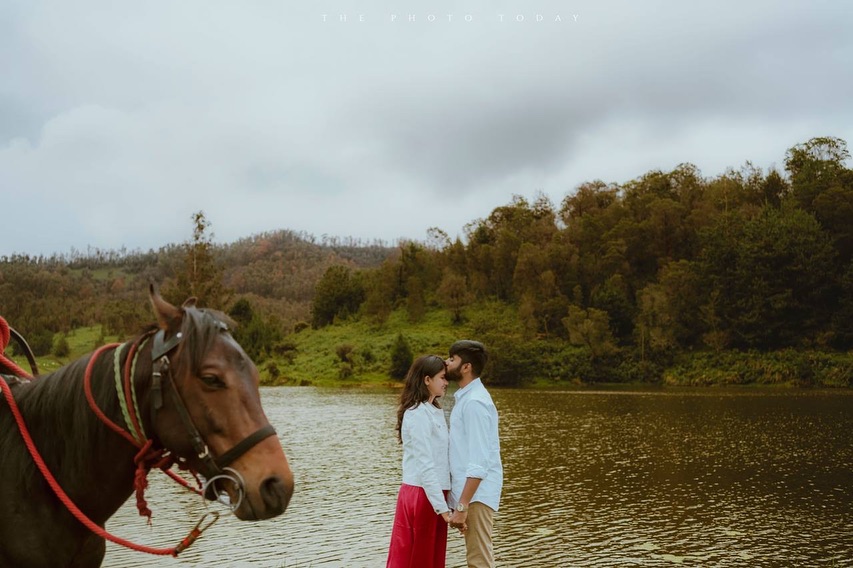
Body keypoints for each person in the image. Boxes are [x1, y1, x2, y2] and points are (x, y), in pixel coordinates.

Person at [386, 355, 452, 568]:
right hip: (422, 494)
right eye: (442, 377)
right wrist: (442, 508)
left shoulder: (434, 410)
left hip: (434, 494)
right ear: (426, 380)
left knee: (431, 559)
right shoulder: (416, 413)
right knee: (417, 560)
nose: (446, 382)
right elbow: (425, 464)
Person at [445, 340, 503, 568]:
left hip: (475, 495)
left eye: (452, 359)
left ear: (466, 366)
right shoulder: (467, 398)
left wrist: (463, 505)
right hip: (471, 495)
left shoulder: (475, 403)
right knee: (477, 557)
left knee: (479, 561)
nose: (447, 363)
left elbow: (479, 461)